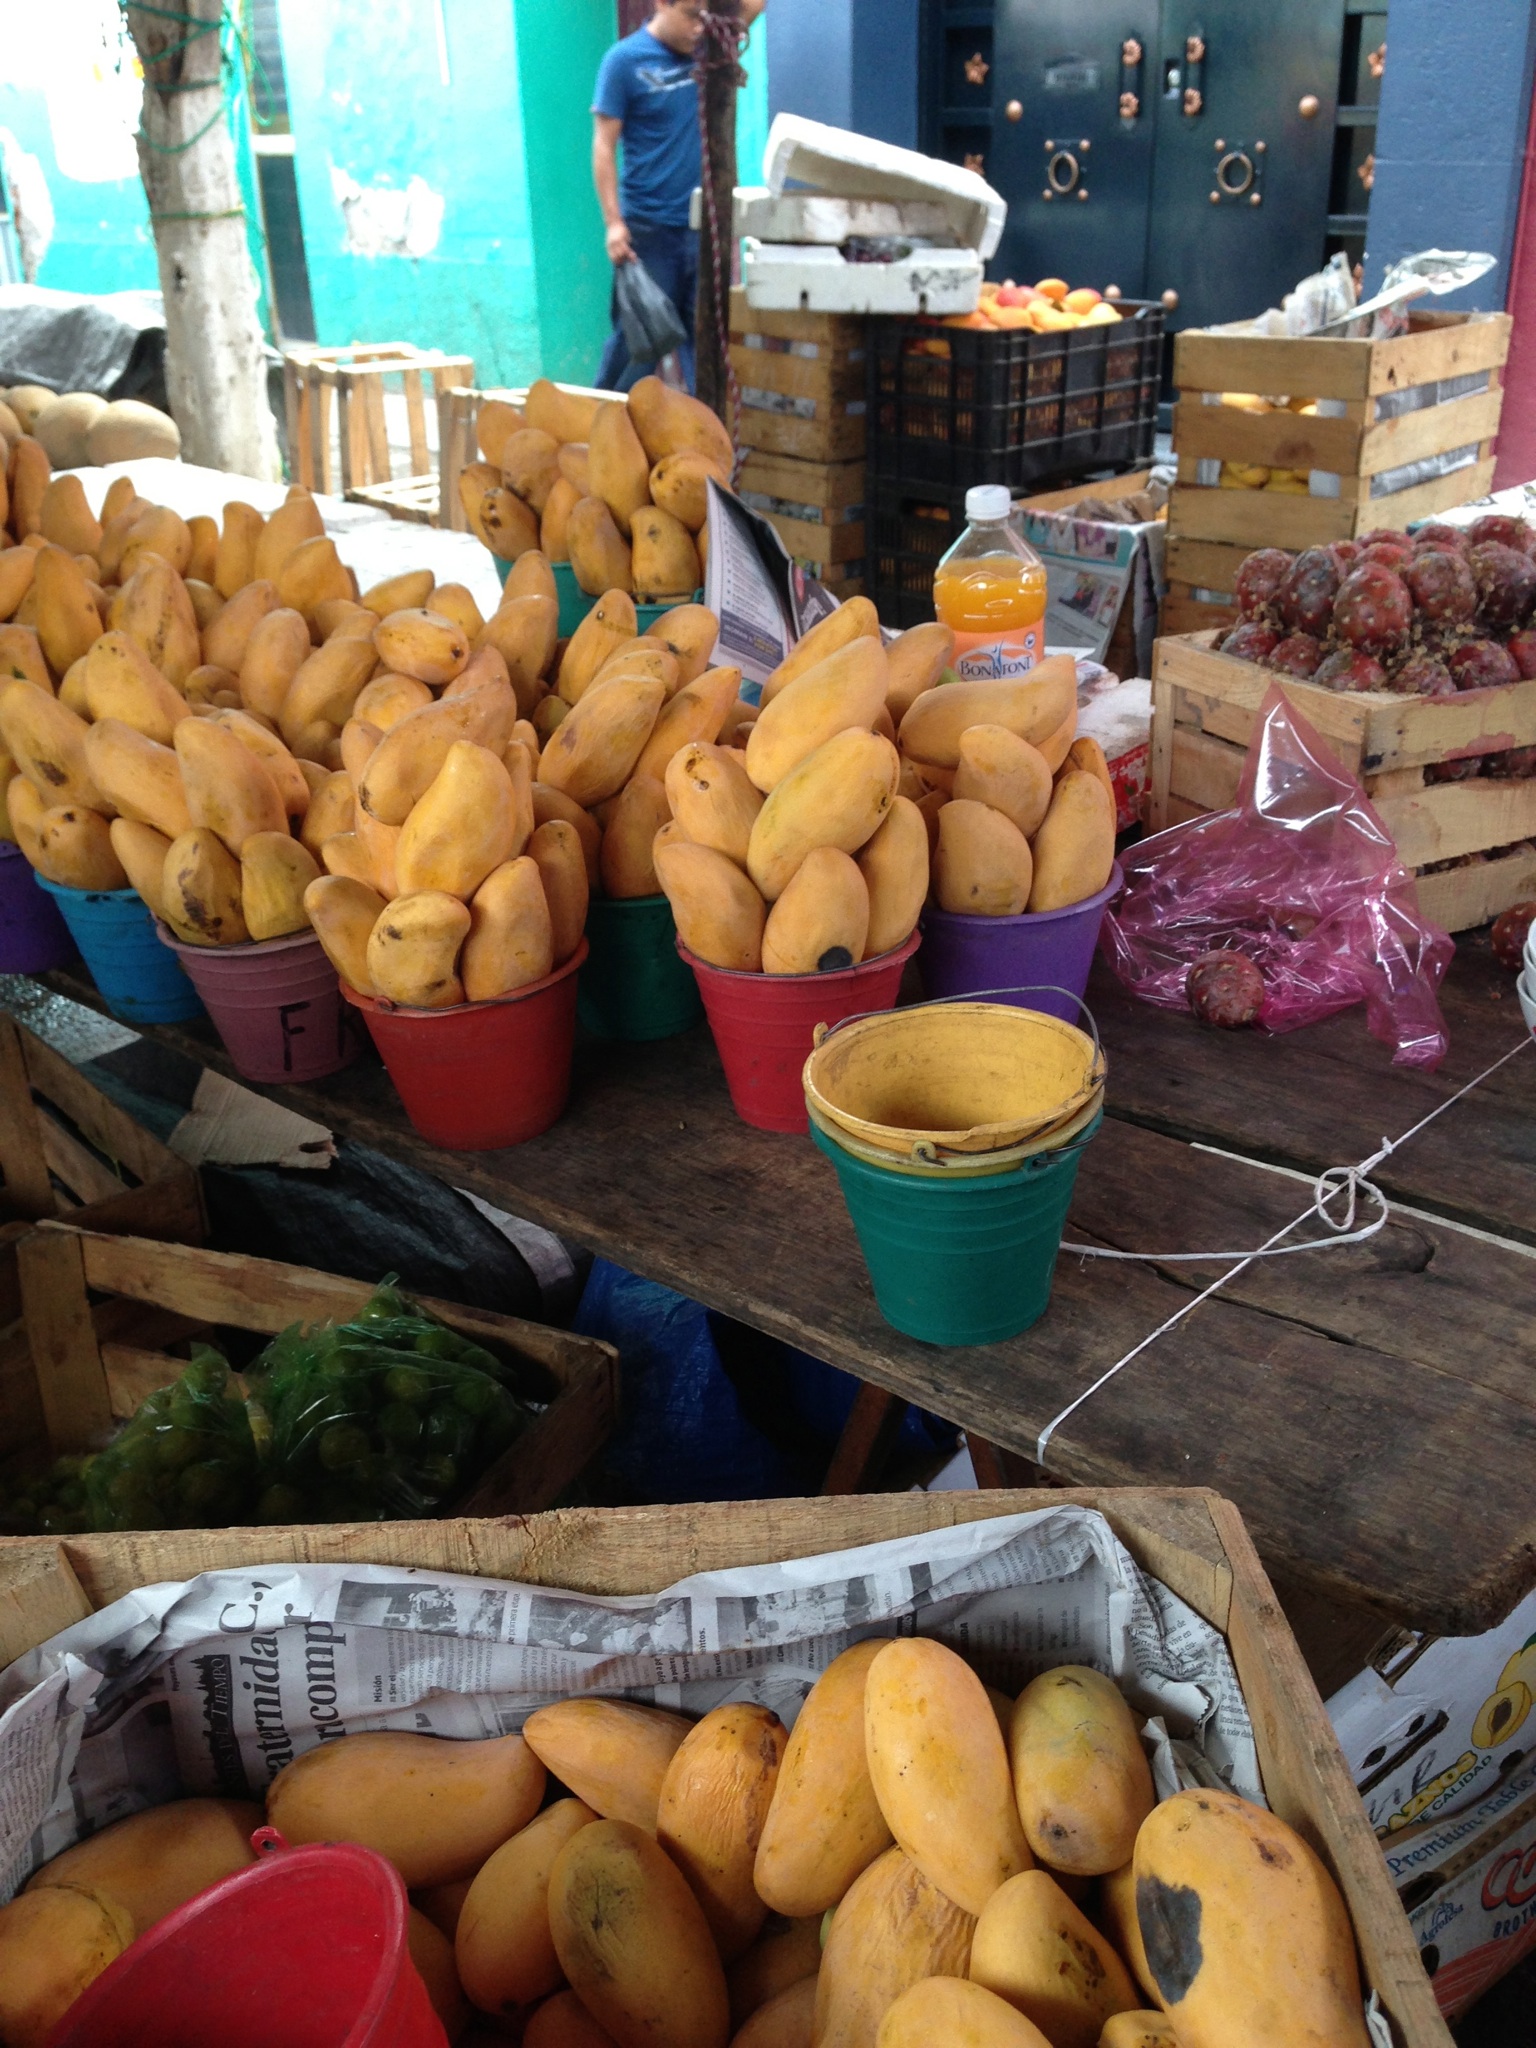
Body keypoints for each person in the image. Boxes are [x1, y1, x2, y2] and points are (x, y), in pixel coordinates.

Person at [592, 0, 764, 393]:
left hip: (704, 230)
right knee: (637, 347)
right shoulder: (624, 61)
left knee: (706, 348)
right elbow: (603, 146)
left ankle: (701, 427)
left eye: (704, 16)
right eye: (689, 14)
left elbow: (753, 6)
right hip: (649, 232)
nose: (698, 26)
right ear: (661, 4)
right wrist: (613, 223)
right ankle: (597, 418)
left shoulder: (710, 49)